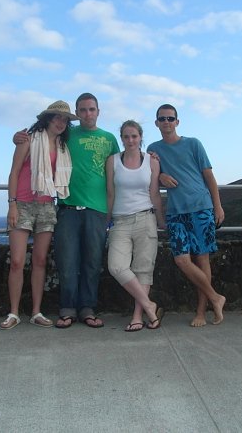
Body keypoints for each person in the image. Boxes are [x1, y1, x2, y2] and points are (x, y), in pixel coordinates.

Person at [14, 93, 119, 328]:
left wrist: (150, 157)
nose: (88, 114)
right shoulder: (67, 135)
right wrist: (17, 137)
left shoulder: (110, 139)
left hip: (97, 209)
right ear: (77, 114)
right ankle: (68, 309)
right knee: (67, 261)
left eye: (91, 109)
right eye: (83, 110)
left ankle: (88, 309)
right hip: (67, 207)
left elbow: (119, 167)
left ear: (98, 111)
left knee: (92, 263)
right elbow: (41, 138)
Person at [147, 104, 226, 327]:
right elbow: (149, 175)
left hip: (201, 208)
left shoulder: (193, 144)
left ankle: (201, 312)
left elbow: (209, 176)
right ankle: (216, 297)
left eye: (170, 118)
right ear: (156, 123)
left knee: (202, 259)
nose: (166, 122)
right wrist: (161, 176)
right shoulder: (153, 150)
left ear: (177, 122)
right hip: (175, 211)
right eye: (162, 119)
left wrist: (217, 206)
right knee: (182, 260)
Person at [0, 100, 76, 330]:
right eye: (57, 117)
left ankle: (36, 311)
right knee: (17, 261)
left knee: (40, 260)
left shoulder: (63, 147)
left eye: (65, 119)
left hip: (46, 205)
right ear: (47, 119)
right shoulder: (29, 139)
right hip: (23, 204)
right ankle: (14, 312)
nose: (61, 122)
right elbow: (14, 173)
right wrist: (12, 205)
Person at [105, 120, 165, 331]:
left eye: (134, 136)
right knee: (116, 266)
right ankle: (150, 306)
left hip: (146, 218)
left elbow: (154, 193)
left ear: (140, 137)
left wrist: (160, 220)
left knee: (143, 270)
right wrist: (107, 220)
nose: (130, 140)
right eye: (126, 136)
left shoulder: (152, 161)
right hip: (120, 221)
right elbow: (110, 193)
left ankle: (138, 316)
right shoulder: (112, 161)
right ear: (121, 138)